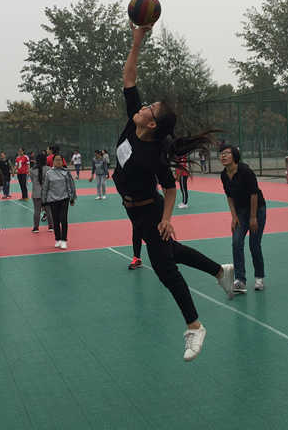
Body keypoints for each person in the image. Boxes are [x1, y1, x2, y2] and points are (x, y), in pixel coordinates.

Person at [113, 21, 234, 362]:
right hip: (133, 209)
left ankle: (195, 327)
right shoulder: (133, 123)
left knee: (165, 267)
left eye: (149, 109)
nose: (142, 107)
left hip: (148, 210)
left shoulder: (153, 154)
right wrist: (137, 40)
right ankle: (220, 271)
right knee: (173, 252)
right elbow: (129, 77)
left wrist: (166, 219)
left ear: (151, 123)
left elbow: (168, 188)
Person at [219, 145, 266, 293]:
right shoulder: (224, 175)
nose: (223, 156)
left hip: (257, 210)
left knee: (254, 245)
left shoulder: (245, 171)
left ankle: (259, 278)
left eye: (226, 153)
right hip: (240, 212)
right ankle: (240, 280)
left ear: (234, 156)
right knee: (236, 242)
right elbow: (229, 197)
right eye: (221, 153)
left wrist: (253, 217)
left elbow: (254, 194)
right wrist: (234, 217)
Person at [42, 153, 77, 249]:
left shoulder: (66, 172)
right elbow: (45, 188)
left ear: (62, 161)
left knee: (63, 219)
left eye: (60, 160)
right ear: (53, 162)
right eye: (56, 160)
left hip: (64, 199)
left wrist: (72, 198)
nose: (58, 162)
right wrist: (43, 201)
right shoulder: (49, 173)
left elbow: (71, 185)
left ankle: (64, 240)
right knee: (55, 220)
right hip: (53, 200)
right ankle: (57, 239)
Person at [29, 151, 52, 233]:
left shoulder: (32, 170)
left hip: (36, 193)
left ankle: (36, 228)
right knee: (49, 210)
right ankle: (51, 226)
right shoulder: (49, 169)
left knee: (37, 211)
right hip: (47, 193)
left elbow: (32, 180)